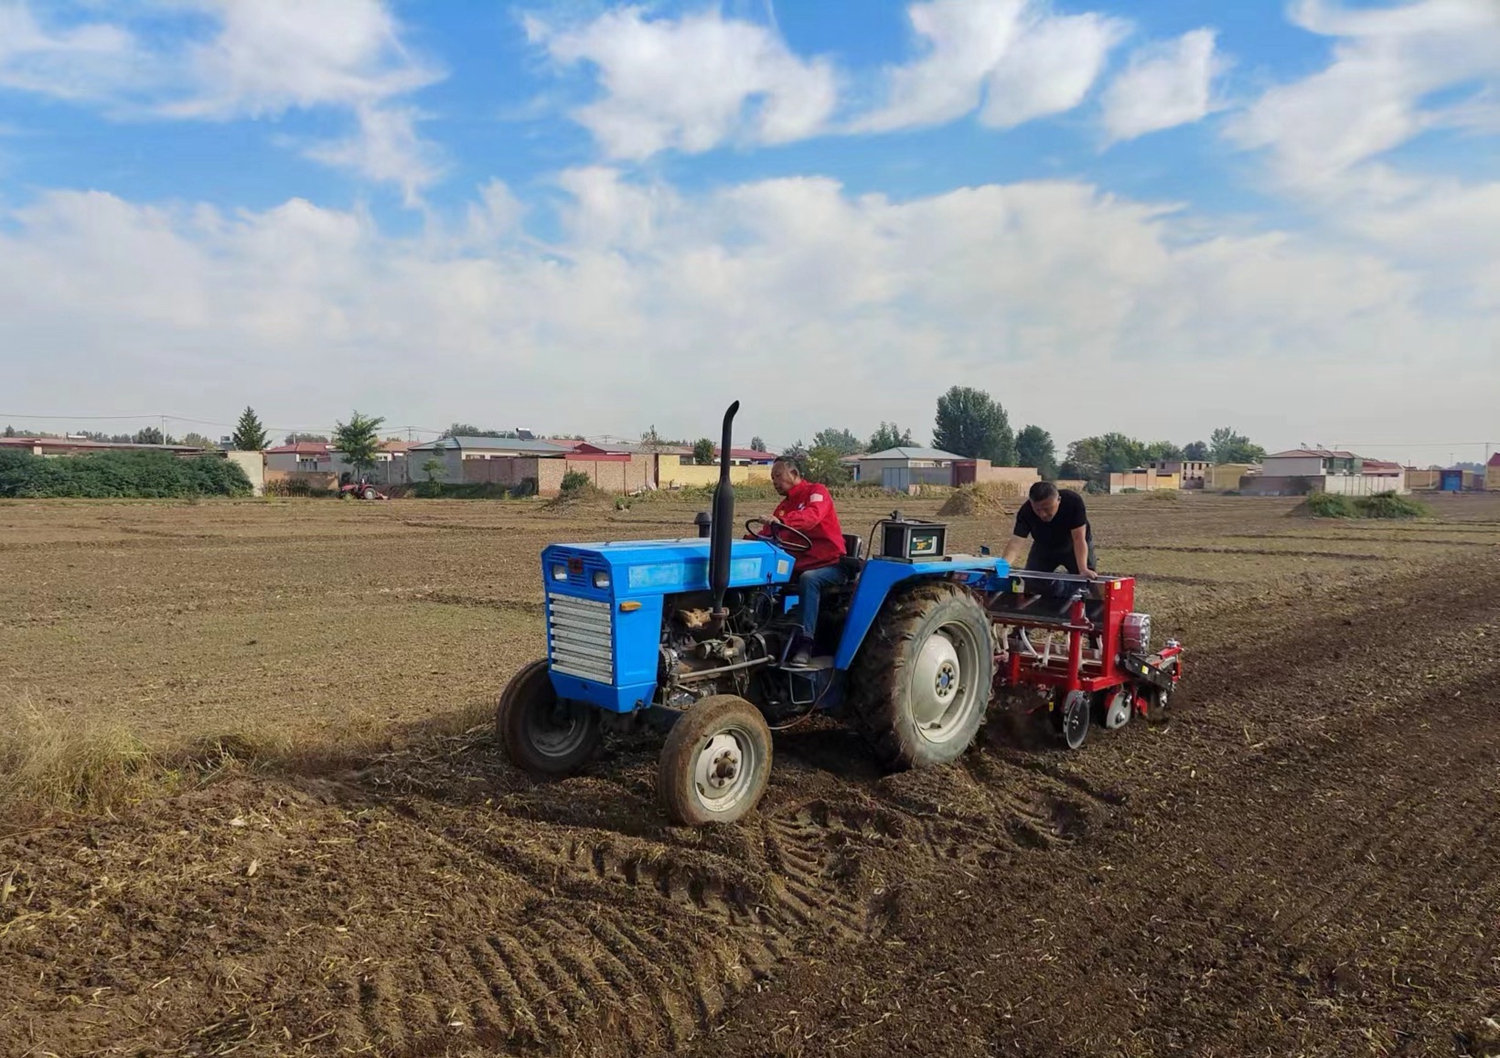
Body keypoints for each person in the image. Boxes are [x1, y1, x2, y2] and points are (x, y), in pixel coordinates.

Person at [755, 457, 846, 667]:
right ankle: (760, 629)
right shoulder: (784, 507)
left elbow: (812, 516)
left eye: (778, 476)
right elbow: (770, 532)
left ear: (794, 474)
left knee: (809, 580)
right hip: (800, 564)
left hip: (831, 564)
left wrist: (784, 522)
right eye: (772, 478)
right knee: (765, 575)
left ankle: (806, 644)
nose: (775, 481)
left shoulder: (816, 492)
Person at [1002, 481, 1096, 578]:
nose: (1043, 514)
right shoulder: (1026, 512)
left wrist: (1083, 569)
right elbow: (1015, 543)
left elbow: (1078, 538)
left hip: (1073, 544)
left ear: (1058, 500)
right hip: (1044, 546)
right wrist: (1003, 566)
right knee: (1032, 581)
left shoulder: (1073, 502)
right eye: (1037, 509)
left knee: (1089, 579)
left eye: (1047, 509)